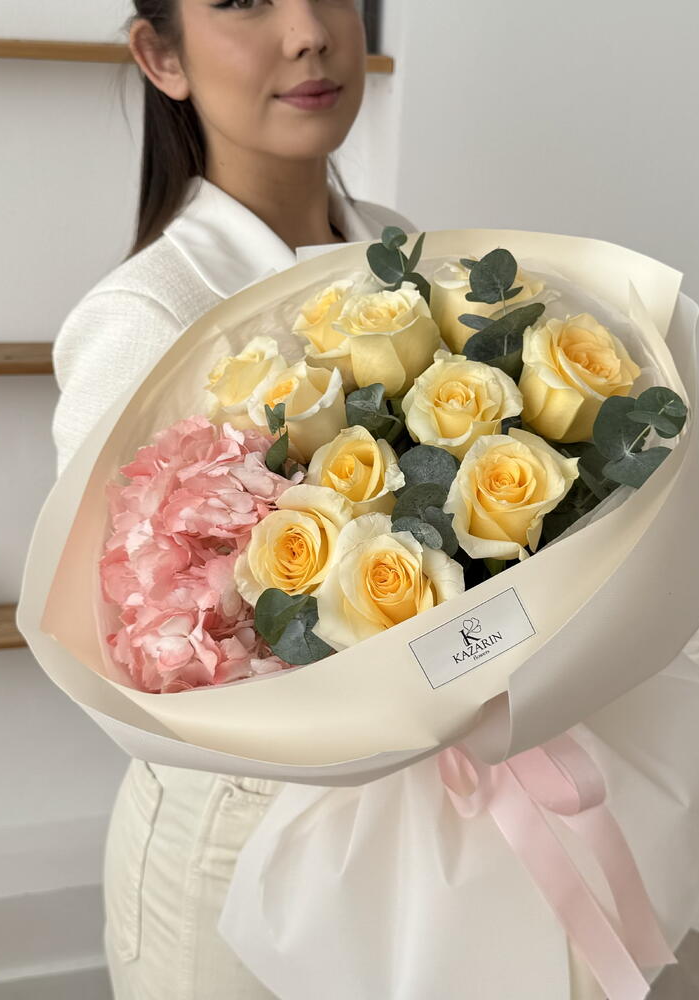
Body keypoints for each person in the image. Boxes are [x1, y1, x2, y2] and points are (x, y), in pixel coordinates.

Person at [49, 1, 415, 996]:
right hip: (234, 841)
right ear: (159, 55)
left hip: (416, 817)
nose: (308, 32)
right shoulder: (145, 317)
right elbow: (113, 648)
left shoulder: (404, 249)